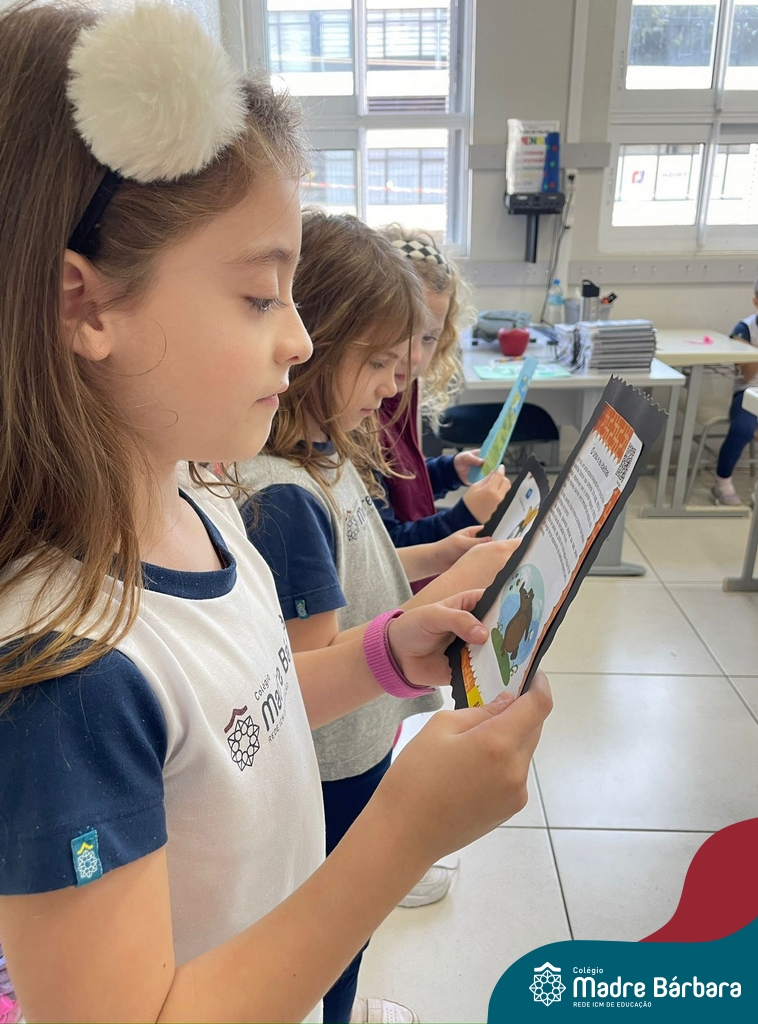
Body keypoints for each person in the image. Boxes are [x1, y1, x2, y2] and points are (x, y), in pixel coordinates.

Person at [0, 6, 552, 1022]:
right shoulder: (65, 674)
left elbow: (242, 713)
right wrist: (400, 835)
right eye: (261, 296)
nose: (299, 340)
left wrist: (387, 655)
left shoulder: (199, 497)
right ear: (87, 305)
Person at [237, 210, 518, 1024]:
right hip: (332, 765)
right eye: (379, 363)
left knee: (348, 926)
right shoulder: (285, 495)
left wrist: (436, 555)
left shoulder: (325, 454)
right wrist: (446, 592)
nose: (396, 386)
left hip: (361, 741)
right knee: (335, 927)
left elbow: (360, 562)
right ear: (316, 346)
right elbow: (311, 675)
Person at [374, 227, 510, 561]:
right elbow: (385, 550)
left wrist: (449, 470)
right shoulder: (362, 409)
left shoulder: (400, 389)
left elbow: (399, 482)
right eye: (402, 332)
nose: (415, 356)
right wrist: (463, 516)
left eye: (429, 337)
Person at [712, 272, 758, 506]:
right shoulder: (744, 329)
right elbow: (746, 375)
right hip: (748, 392)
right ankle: (722, 482)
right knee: (743, 427)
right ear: (756, 302)